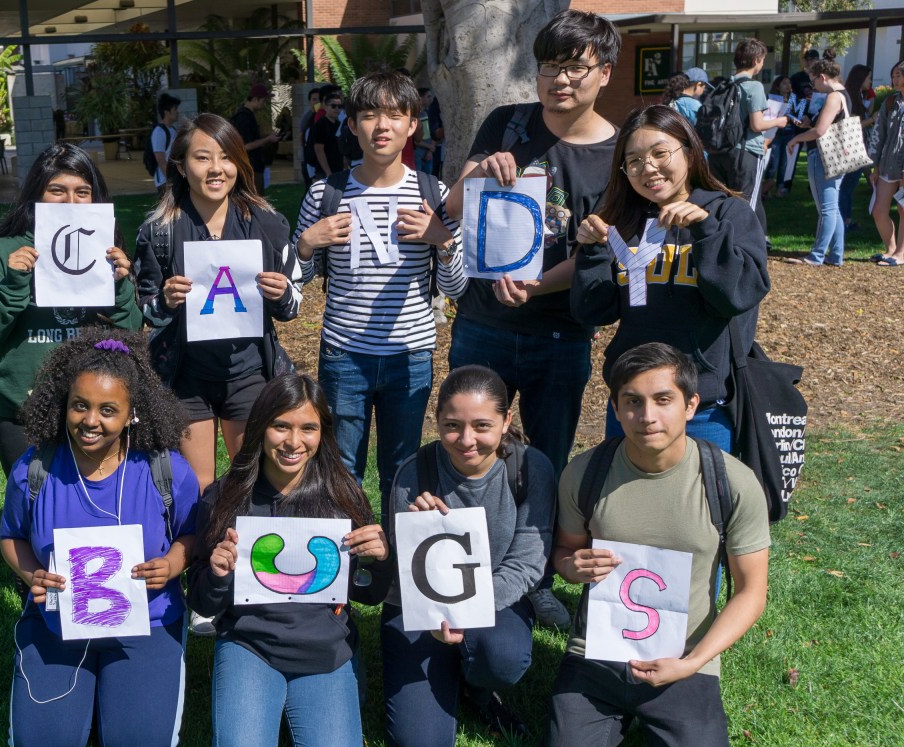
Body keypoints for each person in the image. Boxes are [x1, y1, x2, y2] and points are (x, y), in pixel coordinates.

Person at [541, 342, 770, 747]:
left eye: (663, 399)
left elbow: (751, 592)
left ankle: (663, 722)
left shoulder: (730, 481)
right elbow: (563, 553)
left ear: (691, 405)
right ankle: (615, 721)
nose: (647, 415)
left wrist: (691, 662)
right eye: (632, 400)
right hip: (597, 654)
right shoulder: (585, 474)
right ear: (616, 407)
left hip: (684, 660)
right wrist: (572, 566)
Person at [443, 8, 621, 628]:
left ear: (603, 72)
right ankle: (459, 564)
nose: (559, 80)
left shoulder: (618, 152)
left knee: (545, 460)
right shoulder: (506, 123)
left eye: (574, 67)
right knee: (467, 448)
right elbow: (452, 207)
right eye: (549, 66)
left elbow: (600, 249)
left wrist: (541, 285)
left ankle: (536, 577)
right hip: (483, 325)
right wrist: (479, 170)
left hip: (560, 332)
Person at [186, 373, 390, 747]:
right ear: (260, 428)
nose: (293, 441)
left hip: (325, 652)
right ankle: (259, 701)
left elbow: (367, 597)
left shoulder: (344, 496)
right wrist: (219, 573)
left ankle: (300, 704)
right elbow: (201, 603)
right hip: (250, 645)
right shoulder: (224, 497)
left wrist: (380, 560)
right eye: (281, 425)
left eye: (308, 428)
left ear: (323, 433)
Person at [0, 329, 200, 747]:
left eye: (108, 410)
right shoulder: (36, 468)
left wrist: (172, 563)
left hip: (145, 622)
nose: (91, 420)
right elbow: (11, 536)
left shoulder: (164, 470)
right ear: (64, 403)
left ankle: (121, 694)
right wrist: (32, 573)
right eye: (80, 405)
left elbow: (193, 534)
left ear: (132, 414)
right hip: (57, 623)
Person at [292, 71, 466, 527]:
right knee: (340, 466)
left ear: (413, 124)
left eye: (395, 114)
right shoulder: (324, 192)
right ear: (351, 125)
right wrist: (307, 244)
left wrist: (441, 241)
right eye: (369, 115)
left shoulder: (434, 194)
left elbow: (455, 288)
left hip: (410, 355)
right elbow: (300, 281)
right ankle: (343, 570)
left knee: (403, 469)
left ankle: (393, 567)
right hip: (343, 355)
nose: (381, 126)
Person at [381, 365, 555, 747]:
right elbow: (406, 576)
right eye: (452, 426)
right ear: (436, 421)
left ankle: (477, 684)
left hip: (494, 600)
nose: (466, 440)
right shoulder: (414, 473)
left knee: (504, 656)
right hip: (418, 609)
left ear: (507, 420)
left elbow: (528, 563)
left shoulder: (531, 470)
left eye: (482, 425)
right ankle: (451, 673)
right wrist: (415, 523)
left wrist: (465, 611)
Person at [572, 104, 770, 454]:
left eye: (659, 153)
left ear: (690, 153)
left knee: (705, 506)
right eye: (633, 161)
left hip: (702, 408)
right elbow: (593, 311)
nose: (648, 168)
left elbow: (736, 297)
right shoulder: (624, 222)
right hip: (631, 403)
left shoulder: (728, 213)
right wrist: (591, 251)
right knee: (627, 505)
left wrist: (705, 231)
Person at [135, 113, 301, 495]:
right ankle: (200, 554)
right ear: (179, 165)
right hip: (186, 376)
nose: (216, 169)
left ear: (239, 164)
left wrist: (281, 293)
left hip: (249, 372)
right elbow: (147, 310)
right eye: (202, 157)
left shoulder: (267, 224)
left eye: (226, 157)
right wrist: (166, 301)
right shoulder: (159, 231)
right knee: (198, 487)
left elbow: (292, 307)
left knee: (254, 482)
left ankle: (247, 553)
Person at [0, 143, 140, 478]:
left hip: (95, 411)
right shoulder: (0, 253)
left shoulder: (105, 250)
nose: (71, 201)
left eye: (82, 191)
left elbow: (132, 332)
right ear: (36, 194)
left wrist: (120, 286)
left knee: (93, 511)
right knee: (34, 511)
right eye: (57, 190)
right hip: (24, 410)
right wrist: (13, 283)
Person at [706, 39, 788, 234]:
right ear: (757, 60)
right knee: (747, 202)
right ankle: (746, 247)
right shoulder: (754, 87)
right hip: (746, 152)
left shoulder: (724, 84)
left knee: (723, 200)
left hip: (719, 151)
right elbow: (757, 124)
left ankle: (723, 241)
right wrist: (779, 121)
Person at [786, 59, 850, 267]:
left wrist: (796, 138)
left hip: (823, 155)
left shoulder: (833, 96)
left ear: (822, 77)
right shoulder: (845, 94)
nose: (813, 87)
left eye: (813, 81)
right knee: (833, 207)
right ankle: (836, 254)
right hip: (838, 156)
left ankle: (817, 255)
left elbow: (820, 131)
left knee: (827, 208)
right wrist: (808, 123)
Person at [866, 60, 904, 265]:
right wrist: (875, 164)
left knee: (903, 208)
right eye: (894, 75)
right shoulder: (890, 102)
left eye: (899, 75)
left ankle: (901, 253)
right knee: (879, 210)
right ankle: (890, 249)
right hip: (888, 164)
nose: (895, 79)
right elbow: (878, 134)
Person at [839, 64, 875, 231]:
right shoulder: (851, 97)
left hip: (858, 147)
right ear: (860, 79)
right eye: (868, 78)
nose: (871, 81)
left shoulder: (858, 95)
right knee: (846, 187)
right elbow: (852, 125)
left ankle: (845, 220)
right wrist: (872, 119)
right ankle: (844, 221)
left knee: (847, 187)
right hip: (853, 148)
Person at [231, 83, 283, 195]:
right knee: (256, 201)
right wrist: (268, 139)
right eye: (263, 101)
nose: (264, 104)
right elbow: (246, 146)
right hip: (251, 168)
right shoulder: (245, 117)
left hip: (251, 167)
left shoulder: (245, 115)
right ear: (255, 99)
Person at [761, 76, 796, 198]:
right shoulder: (772, 98)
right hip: (775, 133)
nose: (788, 86)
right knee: (774, 161)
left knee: (784, 162)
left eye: (789, 83)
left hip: (789, 132)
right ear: (777, 86)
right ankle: (767, 187)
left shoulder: (793, 99)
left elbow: (797, 115)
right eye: (784, 83)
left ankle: (780, 188)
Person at [151, 93, 181, 197]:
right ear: (167, 112)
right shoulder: (159, 132)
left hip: (171, 178)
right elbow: (161, 160)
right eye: (175, 109)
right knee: (166, 212)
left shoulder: (172, 130)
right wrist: (169, 180)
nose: (178, 112)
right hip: (164, 181)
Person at [310, 88, 345, 179]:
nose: (337, 109)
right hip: (324, 173)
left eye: (339, 106)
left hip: (339, 170)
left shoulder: (339, 124)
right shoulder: (321, 124)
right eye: (333, 106)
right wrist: (328, 172)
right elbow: (319, 150)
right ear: (325, 106)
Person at [299, 87, 321, 185]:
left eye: (319, 99)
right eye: (314, 99)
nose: (317, 102)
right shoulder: (307, 117)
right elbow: (301, 138)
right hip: (309, 159)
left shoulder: (323, 116)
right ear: (309, 101)